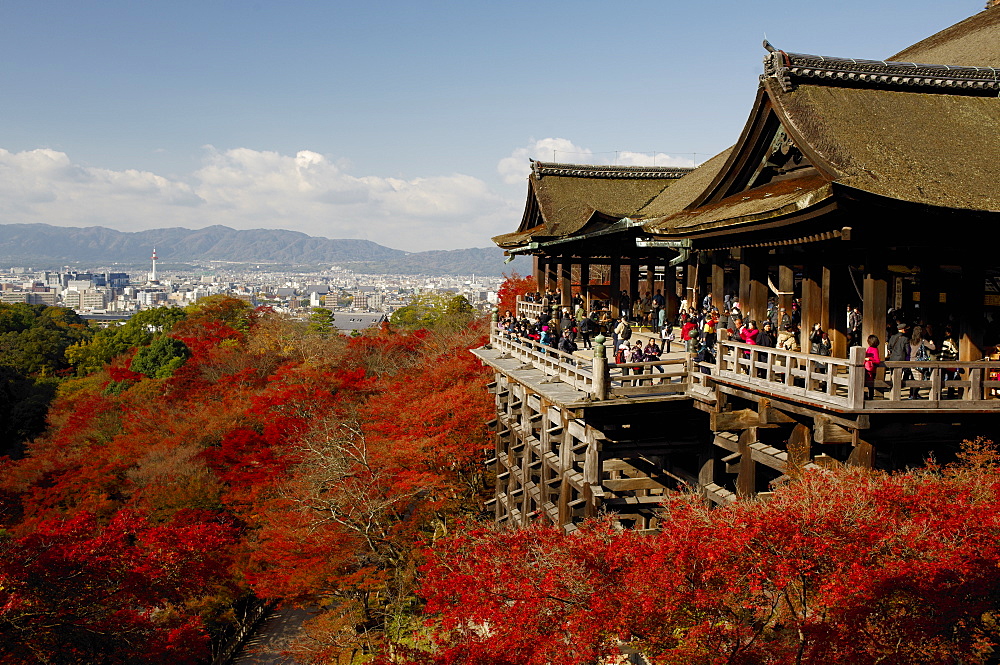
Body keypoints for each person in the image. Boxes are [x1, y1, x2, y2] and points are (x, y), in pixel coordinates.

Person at [908, 326, 936, 399]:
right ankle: (914, 395)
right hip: (919, 362)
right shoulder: (922, 341)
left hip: (911, 361)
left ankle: (912, 395)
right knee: (919, 380)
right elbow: (933, 348)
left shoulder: (911, 341)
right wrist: (931, 343)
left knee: (913, 379)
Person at [864, 334, 881, 400]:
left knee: (870, 384)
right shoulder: (870, 348)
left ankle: (870, 397)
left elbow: (877, 360)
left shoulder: (874, 349)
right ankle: (868, 396)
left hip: (871, 369)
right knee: (868, 383)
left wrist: (870, 359)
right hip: (867, 368)